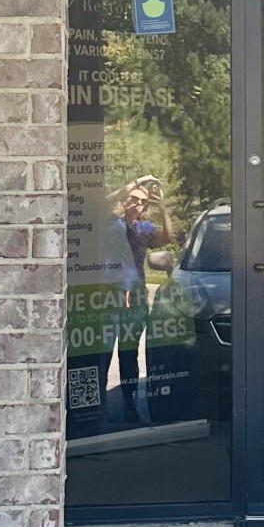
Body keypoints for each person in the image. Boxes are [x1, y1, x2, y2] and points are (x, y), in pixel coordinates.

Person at [112, 179, 175, 420]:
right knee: (103, 349)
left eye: (142, 202)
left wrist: (164, 210)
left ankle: (129, 402)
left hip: (135, 293)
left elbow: (167, 237)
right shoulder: (112, 225)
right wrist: (136, 183)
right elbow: (107, 205)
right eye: (134, 199)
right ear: (125, 201)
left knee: (128, 350)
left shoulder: (144, 228)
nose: (138, 204)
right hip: (109, 292)